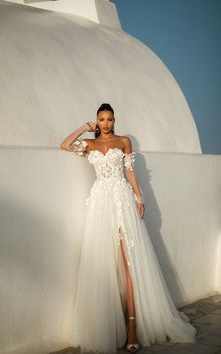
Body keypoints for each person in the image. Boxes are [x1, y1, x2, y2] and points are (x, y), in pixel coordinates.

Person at [60, 103, 196, 354]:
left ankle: (133, 327)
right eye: (101, 119)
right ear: (96, 121)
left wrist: (139, 197)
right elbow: (65, 145)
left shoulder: (123, 141)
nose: (105, 123)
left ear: (114, 120)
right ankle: (109, 326)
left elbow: (130, 172)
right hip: (100, 203)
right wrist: (82, 128)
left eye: (109, 119)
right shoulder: (89, 145)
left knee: (128, 262)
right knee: (104, 264)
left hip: (122, 201)